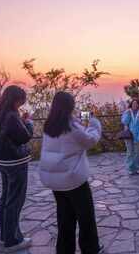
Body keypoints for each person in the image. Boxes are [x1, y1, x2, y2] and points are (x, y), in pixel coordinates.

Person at [39, 92, 104, 254]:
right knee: (86, 218)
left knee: (65, 218)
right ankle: (91, 249)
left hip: (55, 181)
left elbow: (73, 127)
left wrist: (81, 119)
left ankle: (64, 250)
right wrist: (94, 122)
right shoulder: (71, 127)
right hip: (73, 181)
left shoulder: (50, 124)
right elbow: (90, 140)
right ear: (69, 106)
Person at [0, 85, 33, 253]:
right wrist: (28, 123)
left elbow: (10, 134)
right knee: (15, 201)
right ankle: (12, 241)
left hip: (5, 163)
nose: (22, 103)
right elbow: (24, 137)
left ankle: (5, 238)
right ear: (15, 99)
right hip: (16, 162)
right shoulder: (11, 115)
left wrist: (20, 121)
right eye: (21, 100)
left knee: (6, 200)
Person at [121, 99, 139, 175]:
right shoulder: (127, 112)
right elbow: (124, 122)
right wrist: (128, 114)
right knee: (129, 152)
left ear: (138, 105)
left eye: (136, 103)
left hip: (137, 135)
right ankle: (130, 168)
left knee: (136, 153)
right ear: (131, 104)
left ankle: (138, 168)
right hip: (129, 136)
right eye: (133, 103)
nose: (135, 105)